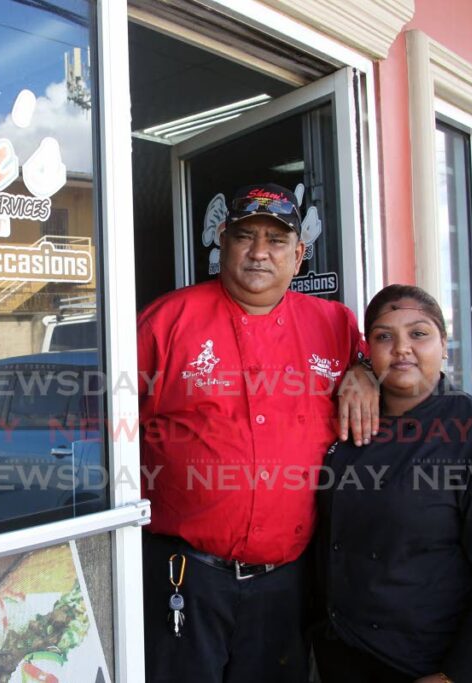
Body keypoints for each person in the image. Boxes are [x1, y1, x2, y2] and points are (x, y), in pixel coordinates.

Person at [137, 182, 379, 682]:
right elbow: (108, 424)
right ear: (222, 242)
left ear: (299, 255)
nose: (259, 252)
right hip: (184, 574)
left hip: (285, 584)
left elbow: (381, 364)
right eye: (246, 236)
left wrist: (364, 371)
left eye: (276, 240)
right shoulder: (168, 319)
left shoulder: (334, 323)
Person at [312, 284, 472, 683]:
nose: (401, 348)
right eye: (384, 336)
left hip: (432, 665)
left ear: (444, 344)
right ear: (368, 351)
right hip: (345, 657)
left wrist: (458, 674)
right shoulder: (351, 424)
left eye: (418, 334)